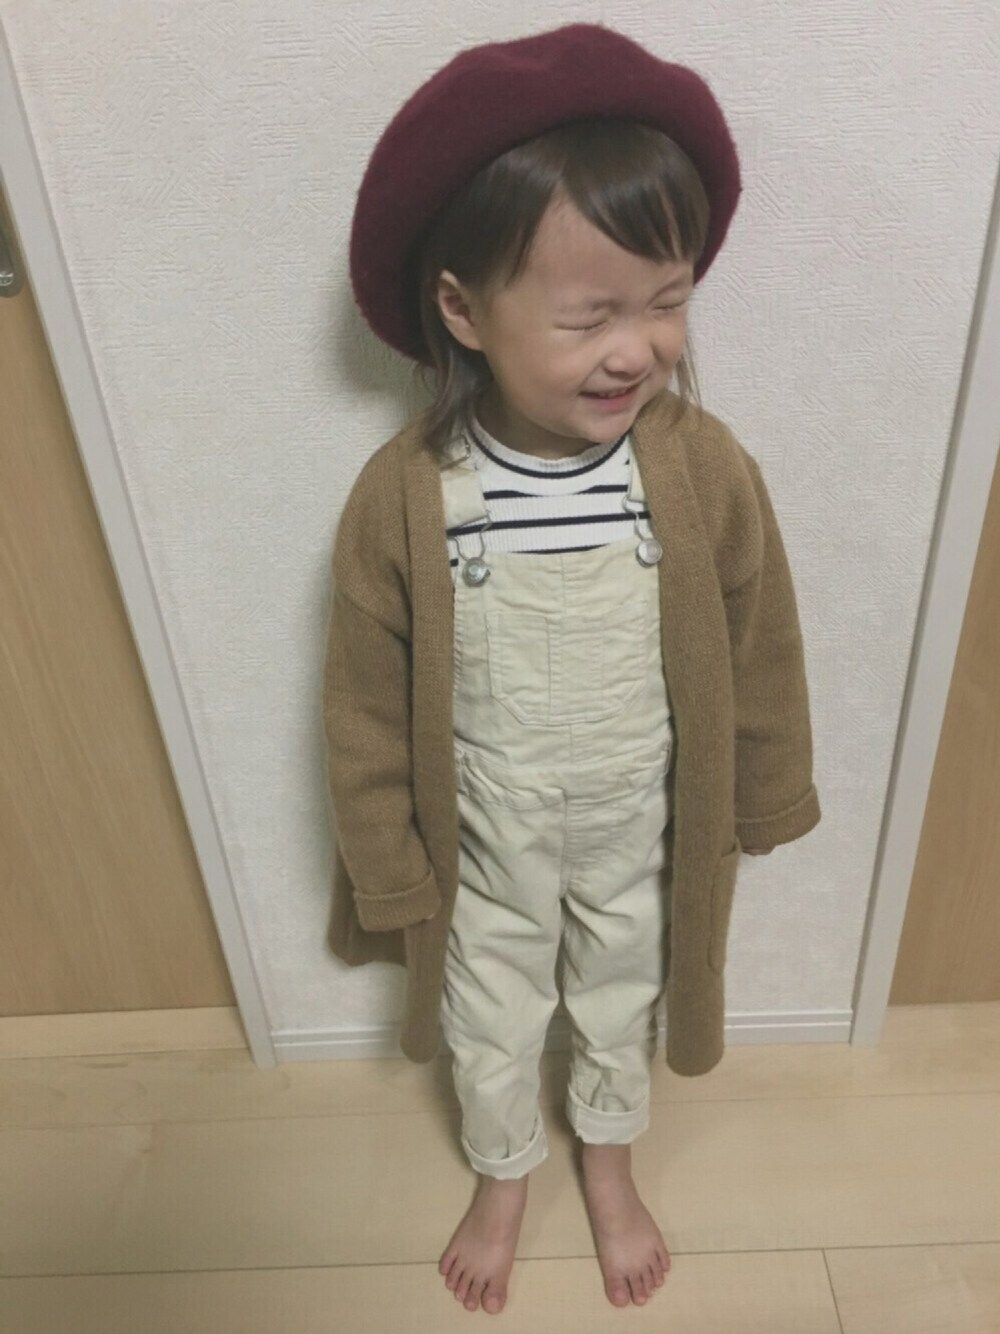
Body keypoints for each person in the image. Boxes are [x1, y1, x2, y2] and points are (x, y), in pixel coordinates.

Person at [323, 21, 821, 1317]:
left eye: (666, 302)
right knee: (488, 1004)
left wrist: (764, 785)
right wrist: (387, 857)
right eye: (590, 315)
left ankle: (609, 1156)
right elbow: (364, 703)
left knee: (622, 983)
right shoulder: (411, 495)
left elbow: (759, 633)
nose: (636, 348)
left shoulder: (699, 470)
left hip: (637, 814)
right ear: (462, 312)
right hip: (484, 830)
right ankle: (504, 1171)